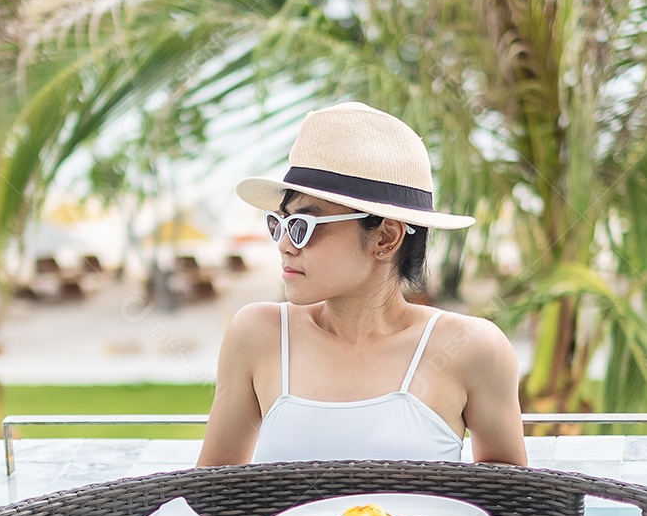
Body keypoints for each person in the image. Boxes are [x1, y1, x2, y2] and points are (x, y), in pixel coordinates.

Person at [197, 102, 528, 466]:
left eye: (304, 226)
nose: (285, 245)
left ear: (386, 237)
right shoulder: (258, 334)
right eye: (281, 223)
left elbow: (508, 504)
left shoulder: (473, 349)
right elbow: (212, 495)